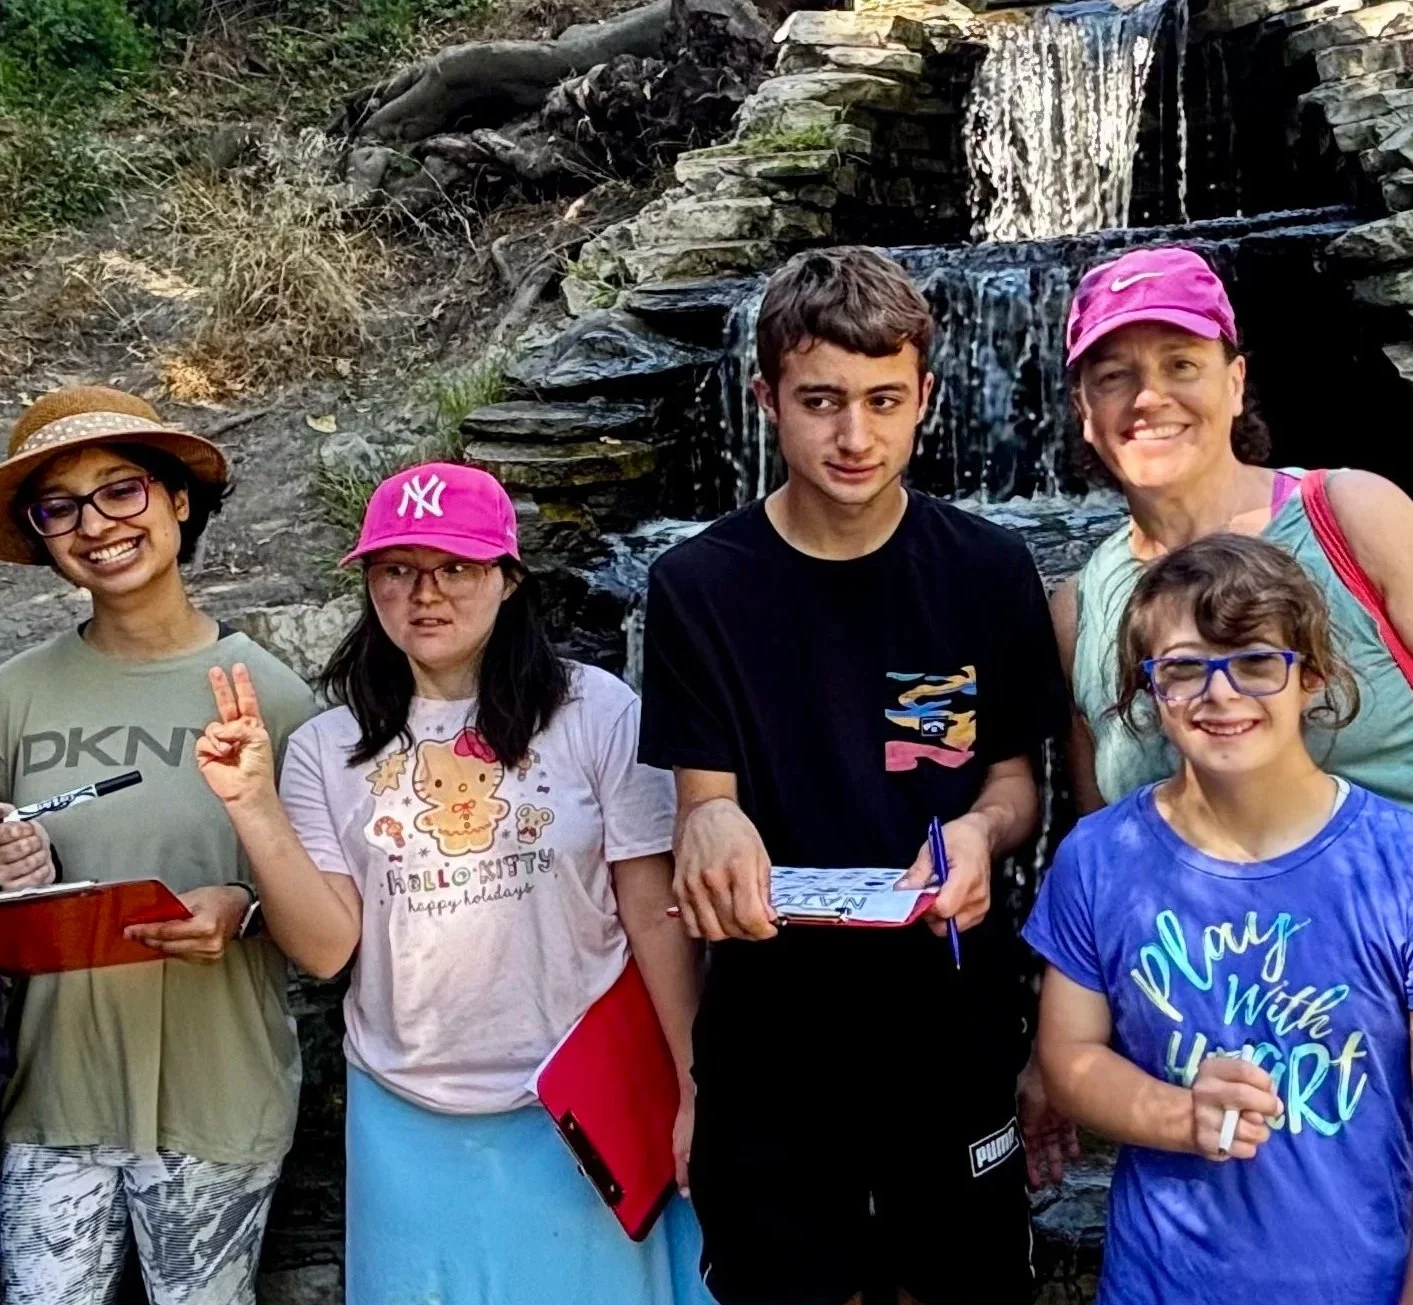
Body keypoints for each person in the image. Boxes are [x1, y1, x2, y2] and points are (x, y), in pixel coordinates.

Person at [638, 246, 1077, 1305]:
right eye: (821, 400)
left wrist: (980, 834)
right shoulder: (698, 586)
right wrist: (711, 830)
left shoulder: (985, 570)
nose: (854, 435)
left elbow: (1013, 783)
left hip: (949, 1022)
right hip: (769, 1044)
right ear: (765, 401)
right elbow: (707, 801)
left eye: (884, 400)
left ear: (926, 396)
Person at [193, 461, 710, 1305]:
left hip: (579, 1098)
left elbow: (654, 916)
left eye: (455, 567)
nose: (424, 594)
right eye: (396, 570)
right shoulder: (330, 746)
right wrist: (252, 806)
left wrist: (694, 1085)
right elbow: (327, 948)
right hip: (406, 1107)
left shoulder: (595, 709)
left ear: (508, 579)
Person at [1026, 532, 1413, 1303]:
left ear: (1314, 676)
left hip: (1357, 1279)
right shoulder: (1098, 856)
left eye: (1256, 661)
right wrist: (1179, 1115)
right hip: (1159, 1283)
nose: (1221, 692)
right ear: (1146, 694)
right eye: (1182, 669)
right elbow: (1068, 1057)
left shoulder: (1397, 863)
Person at [0, 386, 314, 1304]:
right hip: (51, 1101)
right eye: (60, 505)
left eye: (122, 489)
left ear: (178, 499)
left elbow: (337, 909)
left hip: (216, 1099)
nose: (95, 524)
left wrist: (246, 909)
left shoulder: (275, 694)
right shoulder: (15, 693)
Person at [1051, 245, 1413, 812]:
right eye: (1115, 376)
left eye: (1182, 364)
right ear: (1083, 410)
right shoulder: (1080, 610)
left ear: (1236, 382)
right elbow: (1103, 841)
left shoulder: (1357, 517)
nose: (1148, 398)